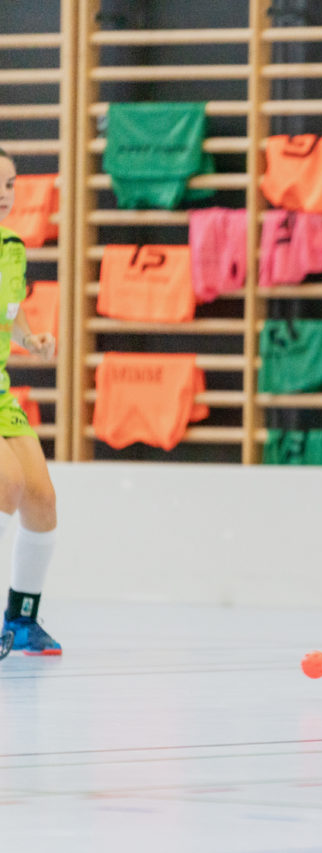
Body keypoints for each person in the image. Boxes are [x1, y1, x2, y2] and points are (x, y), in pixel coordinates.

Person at [0, 148, 62, 655]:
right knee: (7, 485)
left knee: (40, 499)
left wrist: (32, 338)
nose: (5, 194)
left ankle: (22, 620)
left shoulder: (12, 248)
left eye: (11, 184)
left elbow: (11, 315)